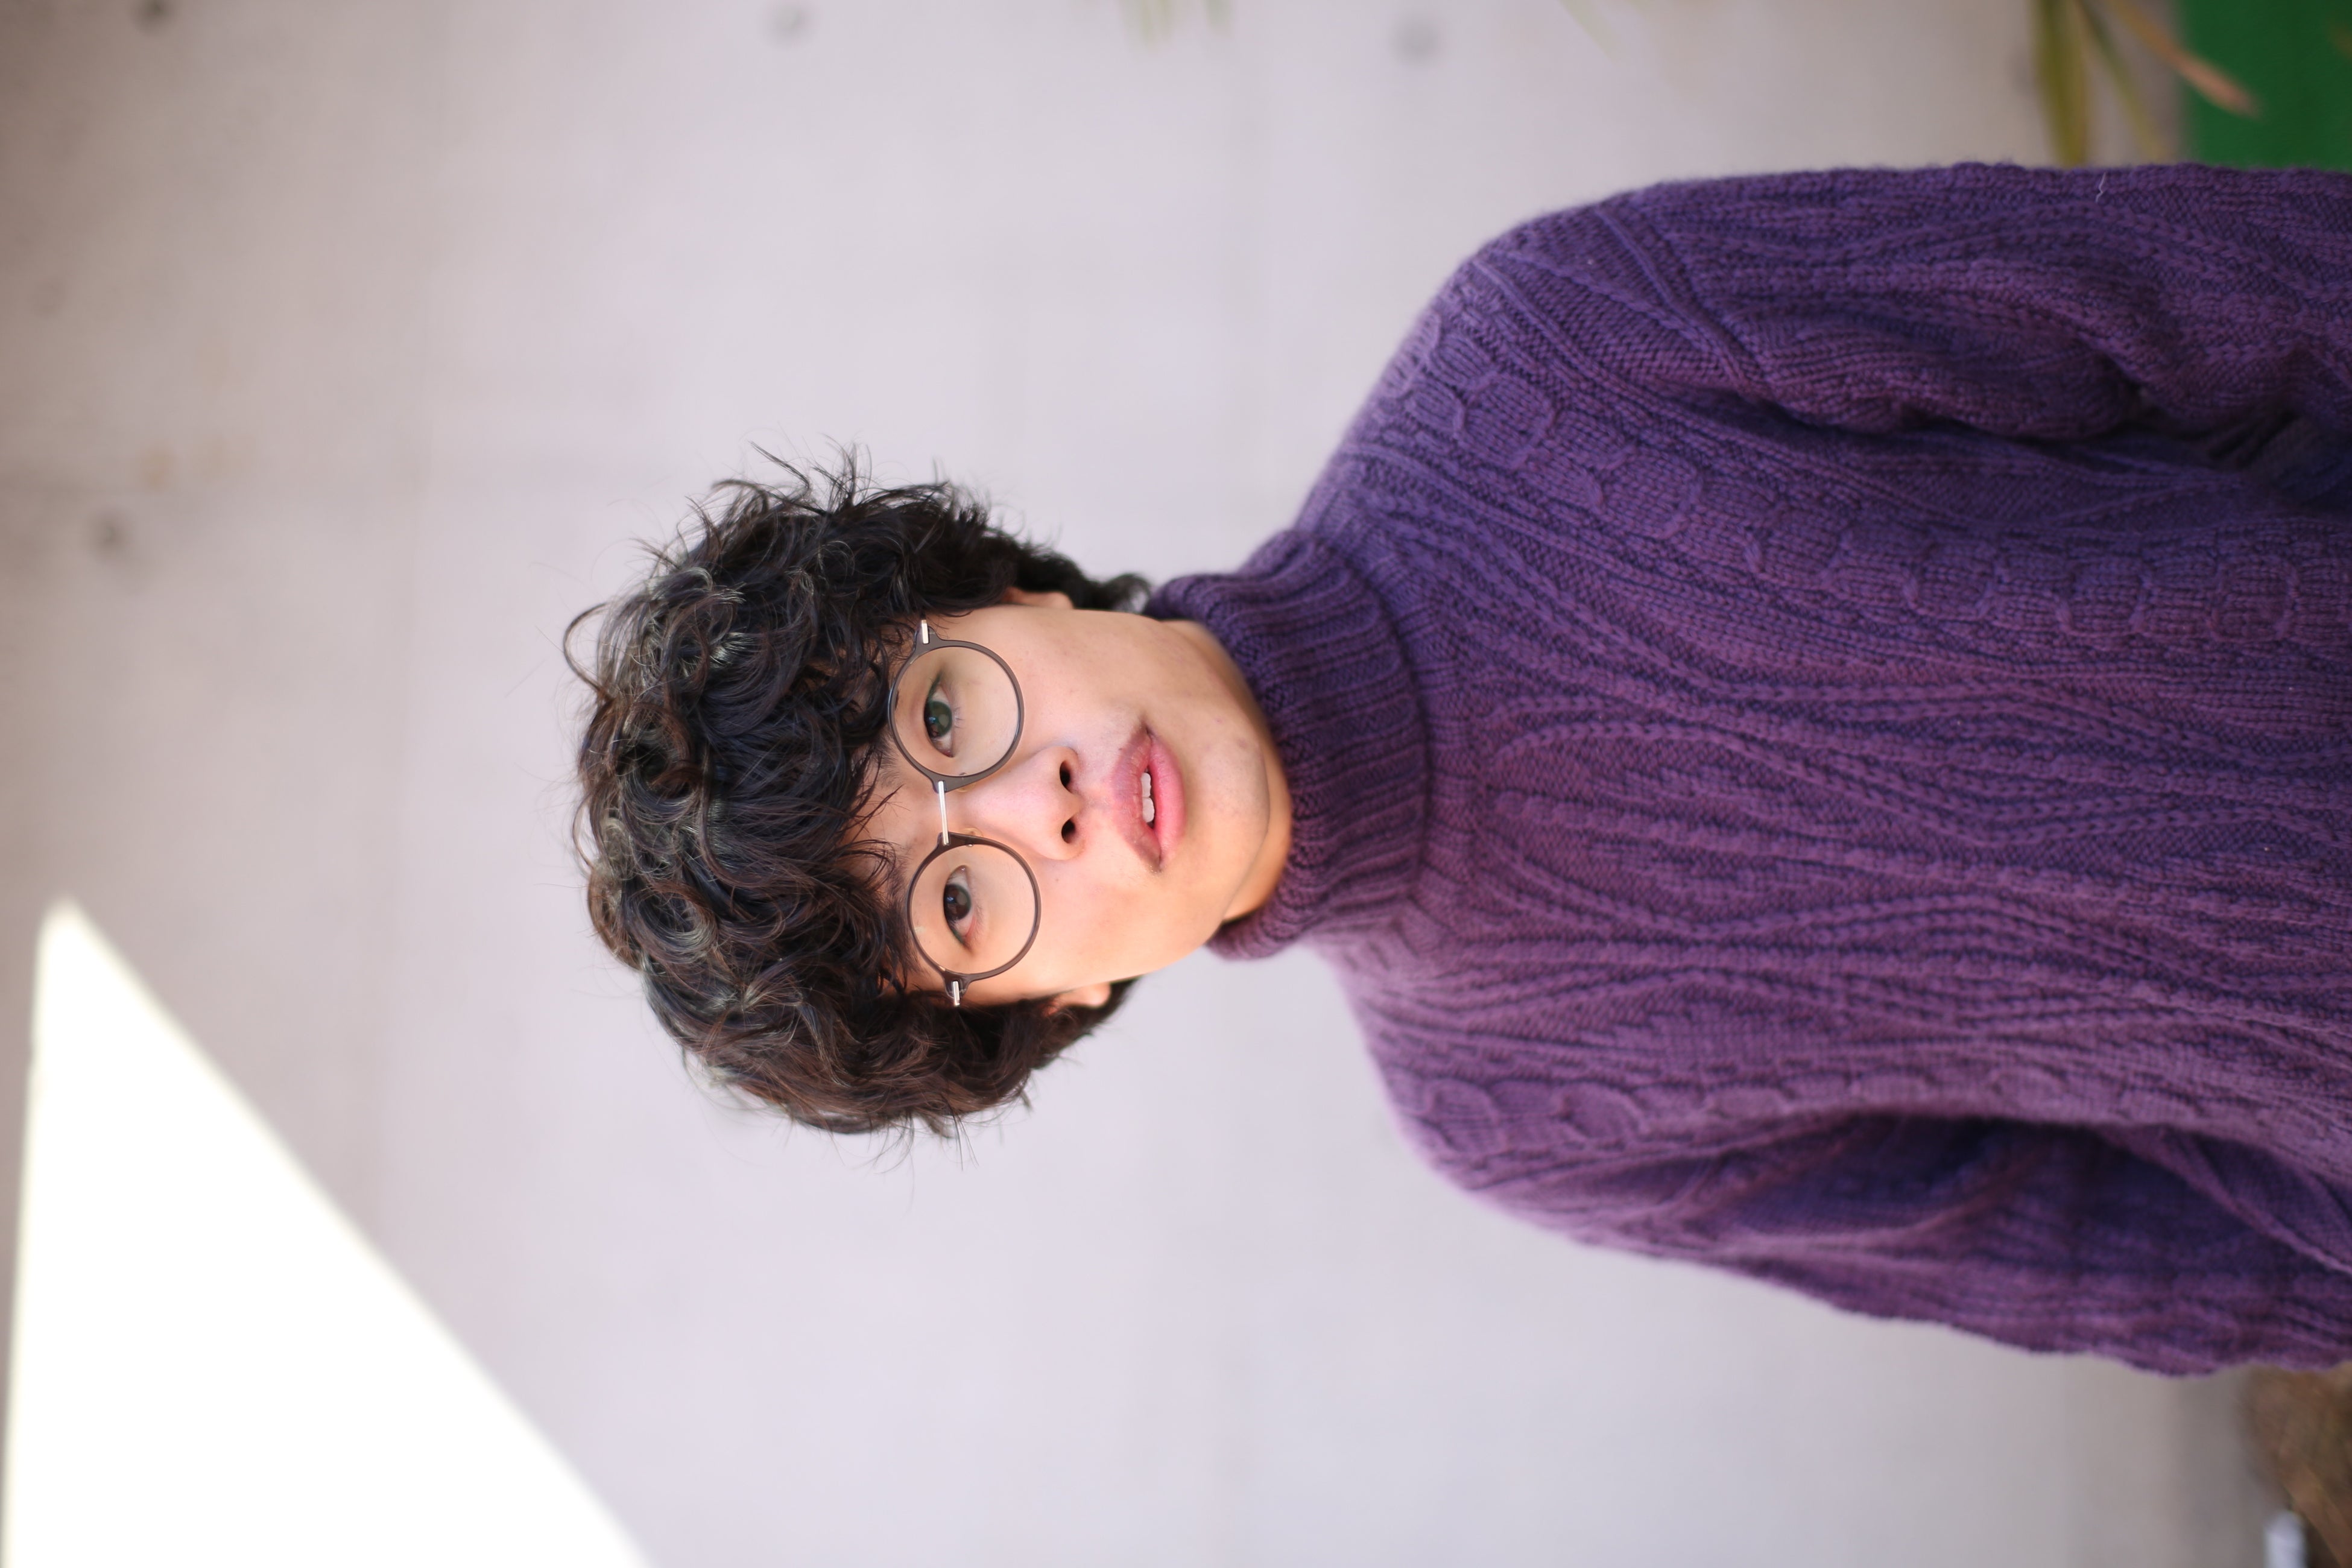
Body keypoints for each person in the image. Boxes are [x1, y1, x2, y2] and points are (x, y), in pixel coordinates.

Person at [574, 160, 2352, 1374]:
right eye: (964, 901)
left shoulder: (1551, 350)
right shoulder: (1508, 1118)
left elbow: (2191, 291)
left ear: (1003, 588)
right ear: (1052, 1004)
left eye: (946, 720)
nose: (1030, 806)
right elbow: (2086, 1258)